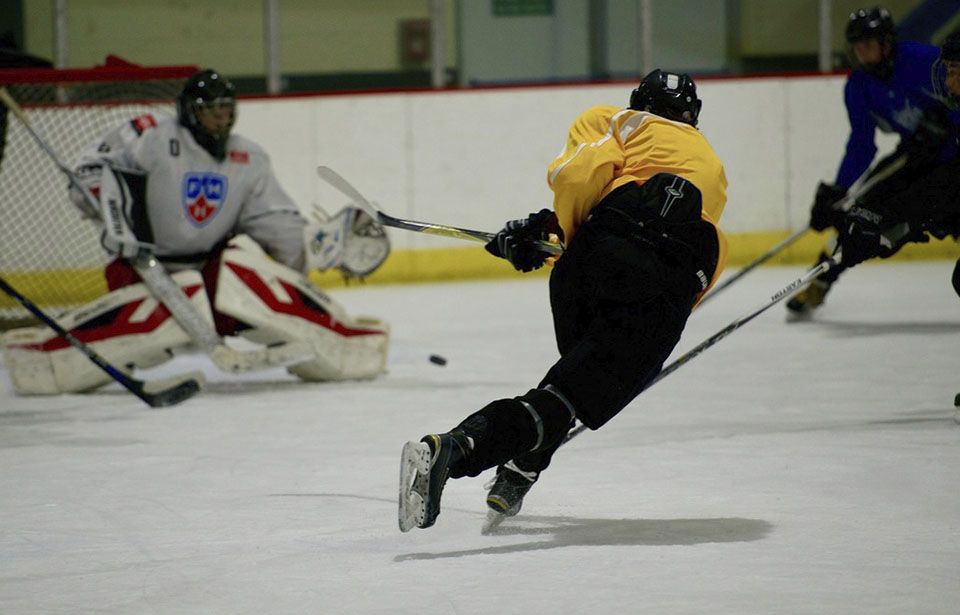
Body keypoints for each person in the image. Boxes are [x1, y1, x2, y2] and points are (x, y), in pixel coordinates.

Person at [397, 69, 728, 532]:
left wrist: (553, 235)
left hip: (594, 259)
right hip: (668, 275)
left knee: (567, 387)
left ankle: (522, 467)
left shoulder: (615, 120)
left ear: (638, 99)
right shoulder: (710, 161)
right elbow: (703, 243)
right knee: (568, 396)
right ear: (692, 117)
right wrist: (673, 315)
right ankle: (453, 450)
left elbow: (579, 176)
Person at [1, 69, 390, 395]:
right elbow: (87, 176)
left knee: (243, 274)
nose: (221, 119)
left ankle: (343, 345)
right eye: (212, 111)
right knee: (153, 327)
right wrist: (103, 196)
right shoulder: (150, 135)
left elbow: (273, 219)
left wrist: (313, 248)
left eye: (226, 110)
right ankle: (42, 360)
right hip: (141, 270)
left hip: (207, 273)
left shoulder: (248, 157)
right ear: (190, 110)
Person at [786, 6, 955, 318]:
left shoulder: (921, 59)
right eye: (857, 47)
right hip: (917, 154)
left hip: (954, 157)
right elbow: (862, 144)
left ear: (887, 42)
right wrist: (839, 189)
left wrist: (950, 124)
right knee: (859, 213)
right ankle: (820, 282)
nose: (861, 53)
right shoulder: (858, 86)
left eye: (868, 44)